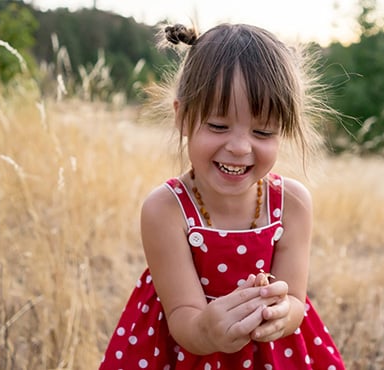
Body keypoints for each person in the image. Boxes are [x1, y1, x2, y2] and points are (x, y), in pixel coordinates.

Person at [99, 23, 346, 370]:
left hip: (272, 355)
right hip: (187, 354)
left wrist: (281, 314)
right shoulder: (166, 209)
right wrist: (208, 331)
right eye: (218, 126)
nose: (239, 147)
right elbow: (183, 317)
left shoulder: (292, 204)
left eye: (262, 131)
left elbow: (295, 300)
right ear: (183, 117)